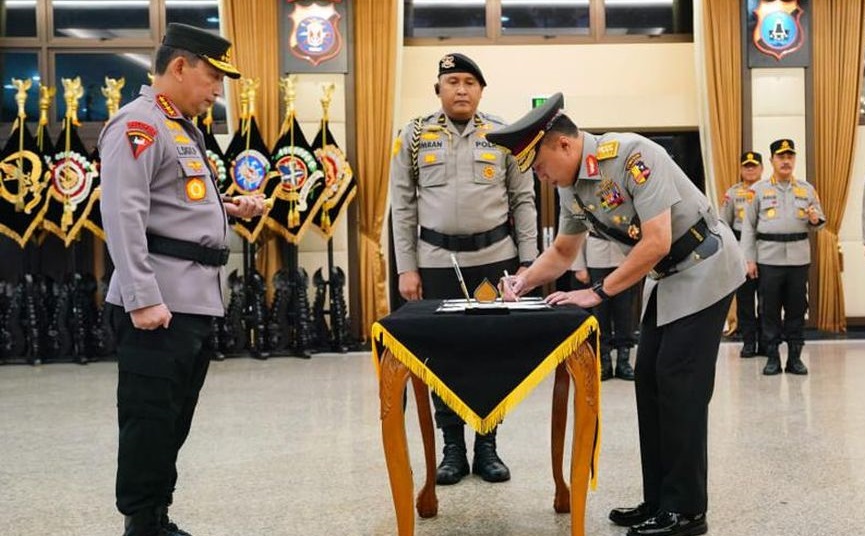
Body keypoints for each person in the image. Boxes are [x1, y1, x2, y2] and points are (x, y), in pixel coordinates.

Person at [489, 93, 745, 536]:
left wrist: (597, 292)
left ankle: (687, 512)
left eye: (539, 165)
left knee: (679, 386)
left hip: (705, 266)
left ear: (564, 146)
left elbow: (657, 240)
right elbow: (564, 251)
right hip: (668, 279)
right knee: (649, 380)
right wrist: (525, 280)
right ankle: (658, 501)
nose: (540, 177)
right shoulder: (572, 188)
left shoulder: (632, 156)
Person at [99, 23, 264, 536]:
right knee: (149, 420)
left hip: (191, 300)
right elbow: (123, 217)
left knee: (173, 419)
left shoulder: (180, 126)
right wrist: (143, 298)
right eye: (213, 76)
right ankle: (142, 523)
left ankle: (157, 516)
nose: (217, 89)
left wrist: (229, 209)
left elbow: (173, 204)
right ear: (179, 66)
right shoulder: (139, 125)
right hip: (159, 303)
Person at [389, 53, 538, 486]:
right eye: (453, 81)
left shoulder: (504, 134)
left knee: (492, 352)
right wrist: (406, 267)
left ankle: (487, 444)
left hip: (494, 260)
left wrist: (528, 263)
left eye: (470, 82)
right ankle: (452, 445)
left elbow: (523, 200)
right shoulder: (414, 136)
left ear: (481, 90)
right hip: (436, 263)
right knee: (444, 354)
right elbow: (402, 206)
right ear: (438, 89)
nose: (461, 89)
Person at [740, 139, 825, 376]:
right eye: (781, 157)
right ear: (772, 161)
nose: (786, 161)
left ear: (794, 159)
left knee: (797, 308)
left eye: (790, 156)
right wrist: (749, 259)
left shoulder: (807, 189)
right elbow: (748, 226)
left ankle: (795, 358)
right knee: (769, 309)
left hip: (798, 259)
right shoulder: (758, 190)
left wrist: (815, 220)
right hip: (769, 258)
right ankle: (773, 357)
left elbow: (818, 222)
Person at [572, 232, 637, 381]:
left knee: (624, 310)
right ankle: (604, 360)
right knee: (600, 313)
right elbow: (578, 230)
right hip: (596, 254)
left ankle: (623, 360)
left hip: (624, 256)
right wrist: (579, 266)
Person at [720, 151, 764, 358]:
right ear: (741, 169)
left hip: (765, 251)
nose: (750, 169)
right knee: (746, 301)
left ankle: (766, 342)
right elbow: (723, 225)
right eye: (746, 166)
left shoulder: (767, 191)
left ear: (762, 169)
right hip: (740, 253)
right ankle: (748, 342)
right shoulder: (732, 193)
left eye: (754, 166)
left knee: (767, 301)